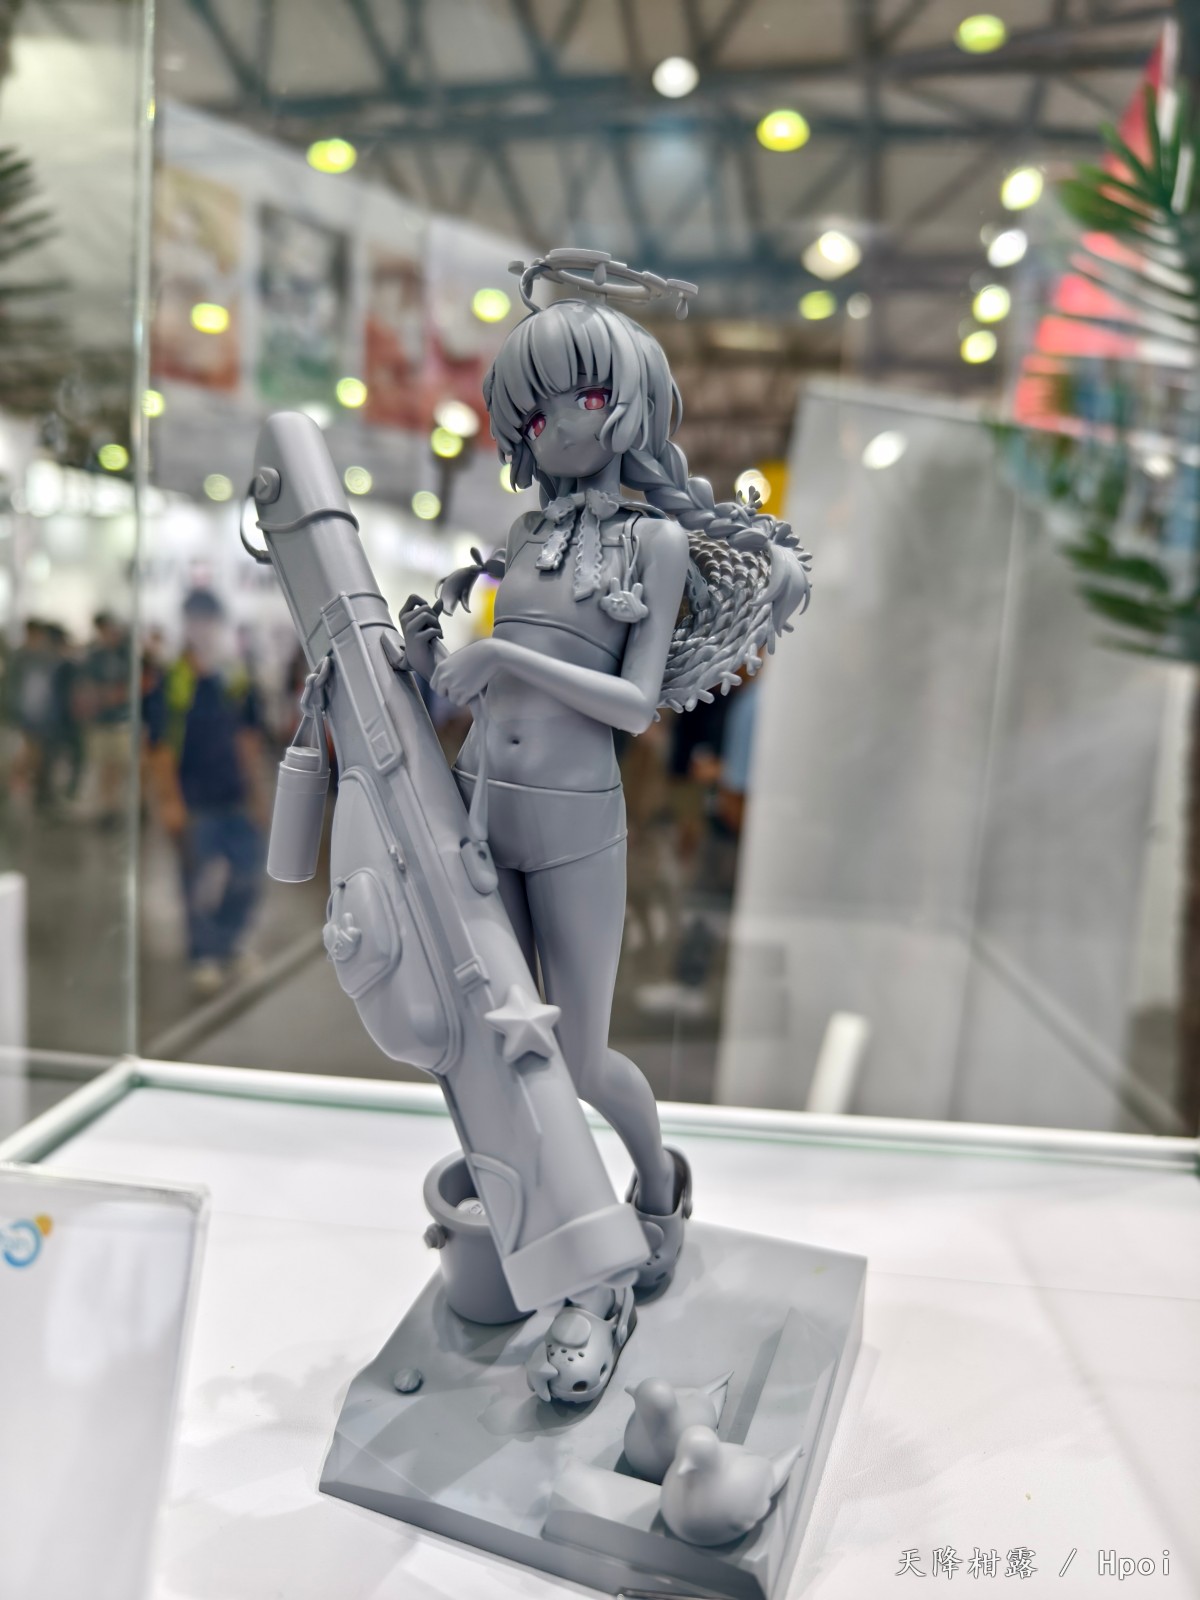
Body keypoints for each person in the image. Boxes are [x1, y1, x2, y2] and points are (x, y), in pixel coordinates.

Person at [400, 260, 810, 1397]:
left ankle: (656, 1184)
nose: (552, 425)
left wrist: (501, 653)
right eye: (529, 409)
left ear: (626, 401)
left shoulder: (653, 547)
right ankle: (559, 1242)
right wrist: (435, 663)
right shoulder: (524, 535)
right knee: (497, 1040)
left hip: (577, 822)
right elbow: (481, 692)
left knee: (579, 1056)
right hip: (487, 805)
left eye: (574, 396)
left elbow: (631, 704)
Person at [144, 589, 268, 996]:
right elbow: (159, 748)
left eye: (209, 619)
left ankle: (228, 944)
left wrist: (257, 794)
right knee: (196, 884)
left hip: (234, 797)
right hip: (195, 802)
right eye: (195, 619)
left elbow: (247, 738)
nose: (203, 628)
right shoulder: (172, 682)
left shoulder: (233, 677)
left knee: (247, 876)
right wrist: (169, 802)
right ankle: (204, 954)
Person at [82, 611, 131, 827]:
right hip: (101, 721)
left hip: (121, 720)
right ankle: (107, 807)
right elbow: (86, 686)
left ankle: (115, 805)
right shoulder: (94, 657)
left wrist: (120, 694)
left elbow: (134, 684)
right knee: (104, 767)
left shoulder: (125, 655)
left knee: (119, 767)